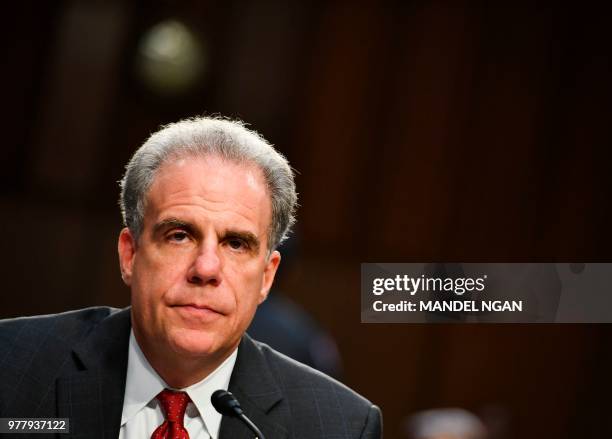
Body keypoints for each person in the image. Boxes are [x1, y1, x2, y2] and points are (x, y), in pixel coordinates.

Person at [0, 117, 382, 438]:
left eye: (236, 243)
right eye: (180, 235)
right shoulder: (12, 365)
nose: (206, 268)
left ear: (267, 277)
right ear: (130, 254)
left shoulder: (338, 426)